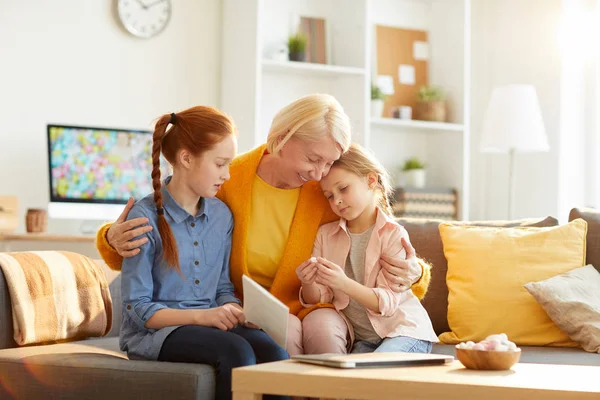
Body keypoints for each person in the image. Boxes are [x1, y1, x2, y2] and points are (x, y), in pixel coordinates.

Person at [97, 94, 432, 356]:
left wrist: (415, 272)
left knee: (321, 332)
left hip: (314, 304)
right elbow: (165, 231)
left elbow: (377, 232)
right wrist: (111, 238)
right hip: (246, 309)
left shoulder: (327, 192)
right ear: (281, 139)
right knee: (279, 337)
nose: (319, 174)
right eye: (313, 159)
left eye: (328, 162)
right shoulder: (227, 178)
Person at [119, 106, 288, 400]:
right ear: (186, 158)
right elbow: (138, 308)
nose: (228, 175)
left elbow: (222, 286)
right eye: (220, 164)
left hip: (207, 324)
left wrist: (234, 310)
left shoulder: (222, 216)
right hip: (158, 333)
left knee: (275, 353)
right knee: (236, 352)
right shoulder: (144, 217)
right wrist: (204, 317)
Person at [296, 143, 438, 353]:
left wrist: (343, 283)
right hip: (363, 341)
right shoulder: (325, 235)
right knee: (349, 380)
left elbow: (387, 303)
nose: (338, 200)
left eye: (343, 188)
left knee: (374, 372)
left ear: (371, 180)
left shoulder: (392, 234)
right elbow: (320, 297)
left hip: (404, 332)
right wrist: (307, 283)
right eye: (330, 196)